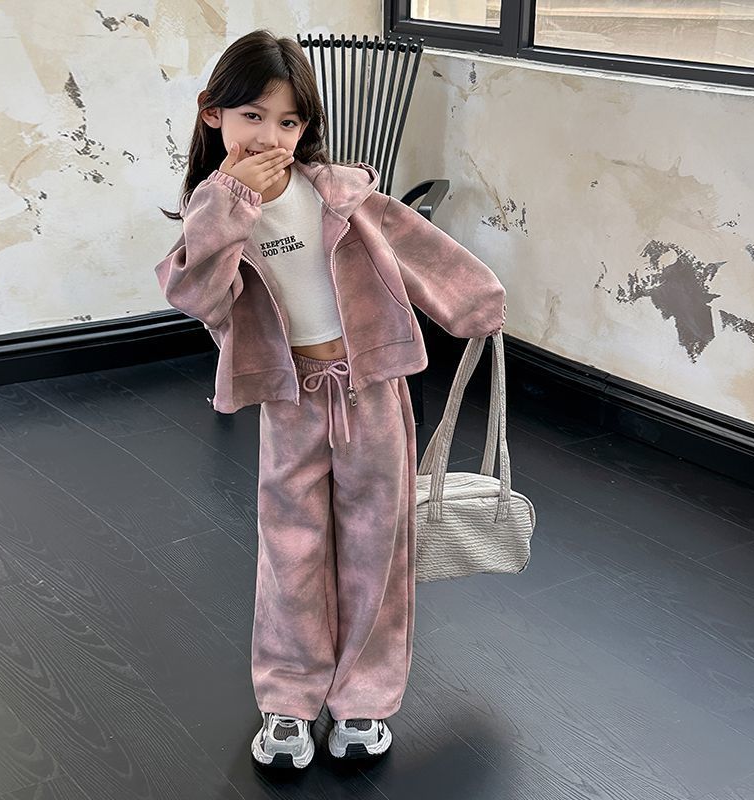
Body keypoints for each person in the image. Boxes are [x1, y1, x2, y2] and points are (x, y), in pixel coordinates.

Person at [154, 28, 506, 769]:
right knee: (291, 551)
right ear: (213, 113)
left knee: (379, 547)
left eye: (288, 121)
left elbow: (418, 247)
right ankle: (288, 702)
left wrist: (477, 302)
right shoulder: (213, 210)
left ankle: (363, 702)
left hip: (372, 392)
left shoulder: (339, 194)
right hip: (291, 401)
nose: (269, 136)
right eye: (252, 116)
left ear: (305, 127)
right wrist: (231, 204)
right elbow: (195, 293)